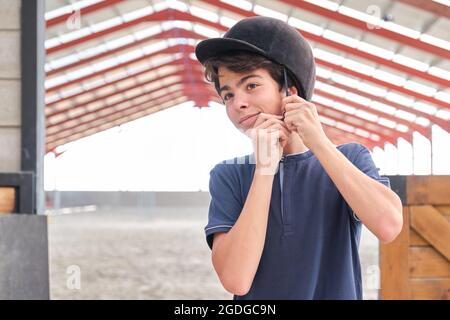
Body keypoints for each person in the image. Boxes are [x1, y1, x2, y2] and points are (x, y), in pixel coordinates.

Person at [195, 16, 403, 300]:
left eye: (251, 85)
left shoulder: (351, 157)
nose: (238, 103)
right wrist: (264, 170)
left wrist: (318, 141)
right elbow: (236, 280)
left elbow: (389, 226)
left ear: (290, 92)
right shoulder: (229, 175)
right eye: (227, 95)